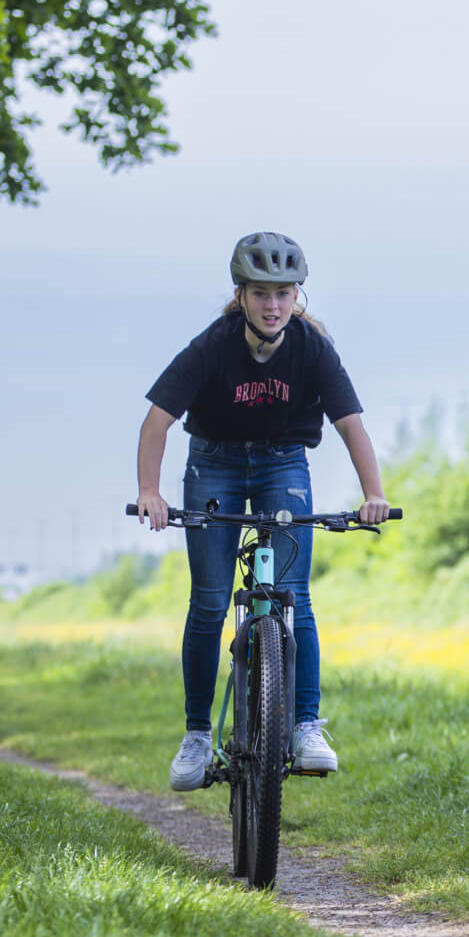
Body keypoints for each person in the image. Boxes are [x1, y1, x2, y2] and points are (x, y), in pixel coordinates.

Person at [136, 231, 390, 790]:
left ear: (297, 295)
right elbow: (157, 421)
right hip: (214, 464)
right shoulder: (213, 345)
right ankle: (198, 735)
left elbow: (351, 425)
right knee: (208, 601)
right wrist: (150, 491)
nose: (272, 305)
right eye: (260, 293)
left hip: (282, 465)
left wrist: (374, 493)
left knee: (292, 598)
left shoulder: (313, 347)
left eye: (283, 293)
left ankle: (304, 726)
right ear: (241, 295)